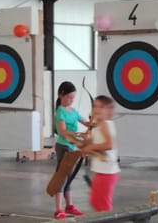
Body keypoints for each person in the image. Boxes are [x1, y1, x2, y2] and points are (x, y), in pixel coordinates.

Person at [52, 81, 92, 219]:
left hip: (72, 147)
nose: (71, 100)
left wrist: (92, 122)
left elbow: (86, 122)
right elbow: (62, 131)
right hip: (63, 146)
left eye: (73, 98)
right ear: (61, 95)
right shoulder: (60, 111)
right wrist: (78, 134)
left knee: (69, 177)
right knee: (61, 177)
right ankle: (58, 209)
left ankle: (69, 206)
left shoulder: (73, 111)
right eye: (69, 97)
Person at [81, 95, 120, 212]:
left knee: (102, 205)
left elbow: (109, 144)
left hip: (108, 171)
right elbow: (91, 145)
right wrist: (86, 142)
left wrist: (90, 146)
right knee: (95, 202)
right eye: (95, 106)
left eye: (101, 107)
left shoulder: (105, 124)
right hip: (102, 171)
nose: (97, 109)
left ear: (109, 111)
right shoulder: (98, 126)